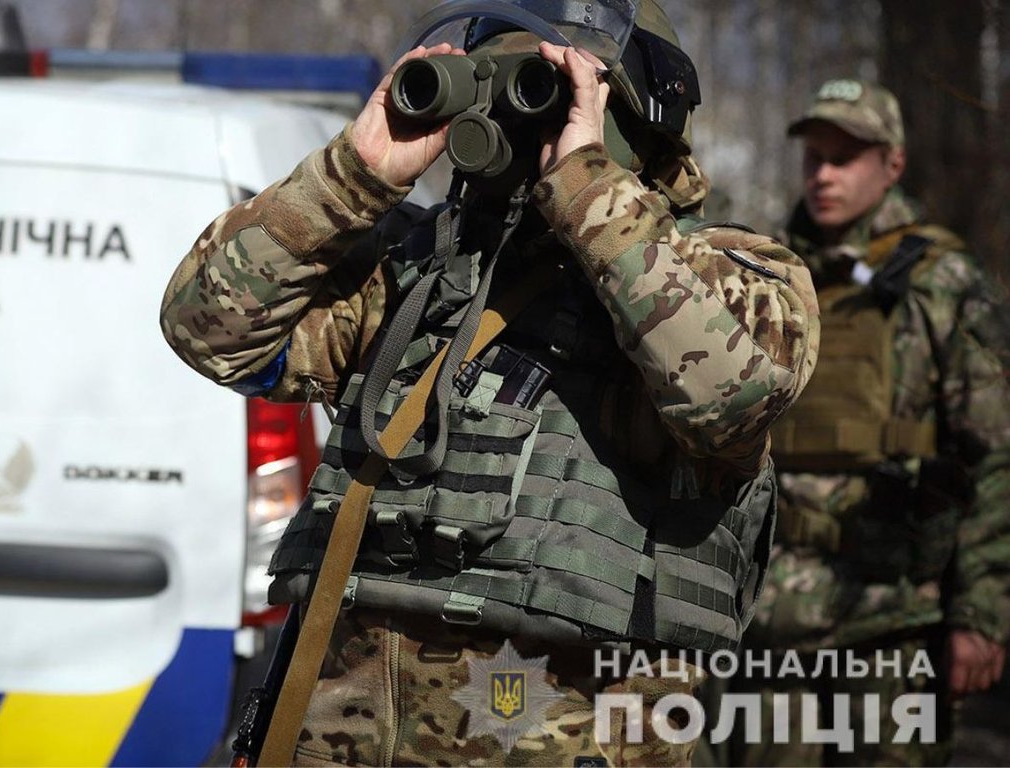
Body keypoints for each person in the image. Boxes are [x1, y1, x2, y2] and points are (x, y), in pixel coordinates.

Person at [161, 1, 819, 764]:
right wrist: (352, 176)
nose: (517, 119)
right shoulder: (413, 271)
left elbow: (734, 393)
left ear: (630, 117)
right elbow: (206, 327)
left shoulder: (734, 274)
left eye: (544, 91)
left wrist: (586, 187)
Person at [728, 79, 1010, 766]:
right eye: (814, 156)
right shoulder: (763, 275)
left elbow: (997, 454)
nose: (823, 175)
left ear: (893, 165)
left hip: (893, 621)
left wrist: (981, 612)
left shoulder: (944, 281)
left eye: (845, 157)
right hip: (769, 622)